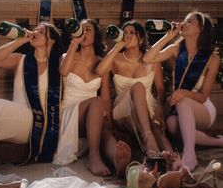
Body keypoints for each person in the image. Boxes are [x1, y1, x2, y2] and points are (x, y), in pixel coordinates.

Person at [143, 11, 223, 172]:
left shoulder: (212, 59)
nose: (184, 24)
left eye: (190, 22)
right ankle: (218, 142)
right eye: (184, 21)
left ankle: (189, 155)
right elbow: (148, 58)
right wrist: (168, 36)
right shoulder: (176, 49)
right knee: (173, 125)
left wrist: (183, 93)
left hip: (204, 110)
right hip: (181, 109)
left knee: (182, 99)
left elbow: (202, 97)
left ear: (200, 29)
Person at [53, 19, 131, 177]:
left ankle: (118, 161)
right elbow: (63, 71)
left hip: (94, 114)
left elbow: (106, 97)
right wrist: (74, 43)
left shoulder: (102, 62)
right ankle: (93, 157)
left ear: (95, 35)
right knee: (96, 102)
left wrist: (109, 122)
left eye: (88, 29)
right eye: (81, 29)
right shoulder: (68, 56)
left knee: (105, 131)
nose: (83, 32)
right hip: (70, 113)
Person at [96, 20, 174, 162]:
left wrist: (160, 112)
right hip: (123, 111)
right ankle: (148, 139)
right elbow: (103, 85)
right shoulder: (114, 60)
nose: (128, 36)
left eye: (133, 33)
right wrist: (109, 124)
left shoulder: (152, 59)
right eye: (125, 33)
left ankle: (173, 163)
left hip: (149, 109)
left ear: (142, 39)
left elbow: (161, 90)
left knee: (157, 131)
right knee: (138, 87)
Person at [0, 22, 63, 163]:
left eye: (41, 31)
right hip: (17, 117)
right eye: (35, 30)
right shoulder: (21, 60)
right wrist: (20, 40)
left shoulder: (58, 65)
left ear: (51, 40)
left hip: (42, 125)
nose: (35, 32)